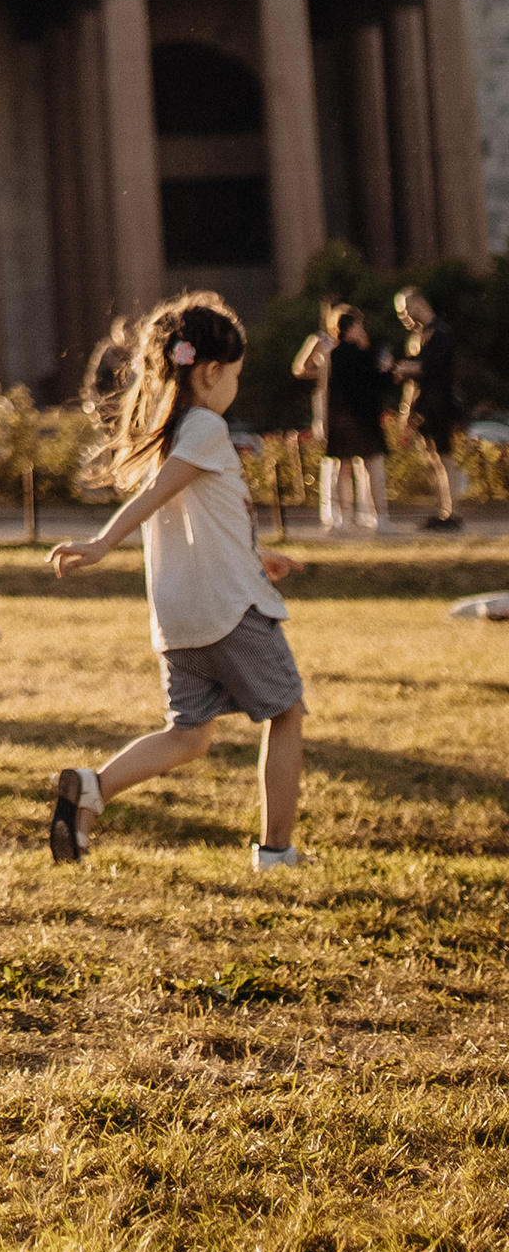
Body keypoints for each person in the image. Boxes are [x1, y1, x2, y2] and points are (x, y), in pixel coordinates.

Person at [45, 295, 305, 875]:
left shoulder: (168, 429)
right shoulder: (208, 426)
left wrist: (261, 558)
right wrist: (101, 545)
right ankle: (277, 853)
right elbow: (156, 496)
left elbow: (203, 520)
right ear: (210, 371)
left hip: (180, 618)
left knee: (188, 737)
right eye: (235, 374)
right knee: (286, 714)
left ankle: (91, 790)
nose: (236, 385)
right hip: (230, 610)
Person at [293, 300, 390, 532]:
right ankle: (379, 517)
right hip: (362, 418)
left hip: (340, 417)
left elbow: (328, 389)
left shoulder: (332, 354)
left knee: (343, 466)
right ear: (352, 327)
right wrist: (385, 369)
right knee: (369, 466)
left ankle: (345, 517)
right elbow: (376, 382)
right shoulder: (353, 352)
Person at [393, 286, 463, 532]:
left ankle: (452, 511)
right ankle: (443, 510)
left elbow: (429, 367)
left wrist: (401, 367)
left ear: (419, 304)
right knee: (433, 460)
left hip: (440, 405)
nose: (403, 316)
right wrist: (406, 410)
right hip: (423, 407)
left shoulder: (440, 333)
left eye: (405, 309)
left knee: (444, 458)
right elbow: (415, 377)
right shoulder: (418, 336)